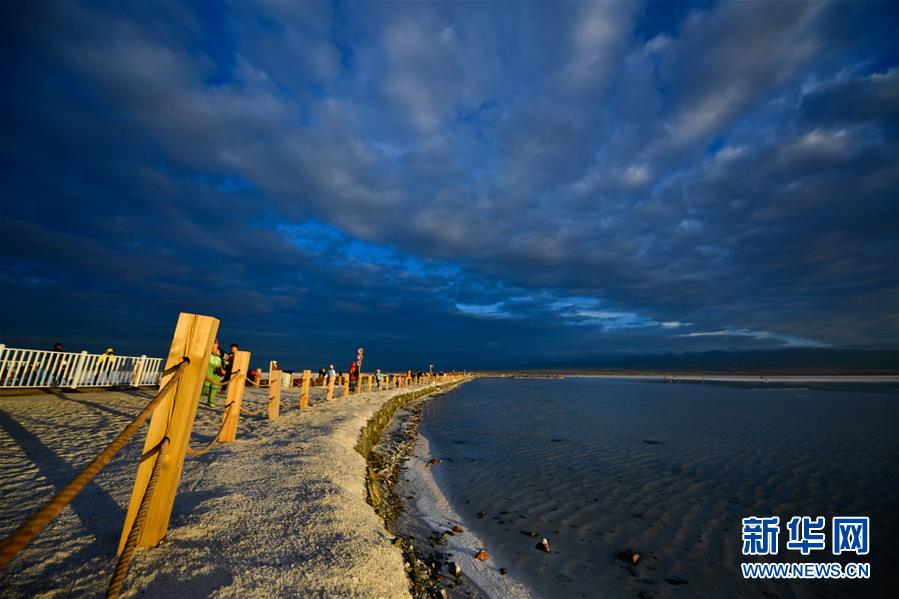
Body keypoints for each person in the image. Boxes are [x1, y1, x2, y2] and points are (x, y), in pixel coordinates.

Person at [202, 340, 224, 407]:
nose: (215, 345)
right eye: (214, 343)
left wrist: (223, 369)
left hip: (217, 371)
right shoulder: (207, 351)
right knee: (206, 386)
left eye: (216, 343)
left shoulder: (221, 352)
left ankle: (210, 401)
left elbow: (226, 360)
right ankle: (198, 396)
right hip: (209, 370)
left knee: (214, 387)